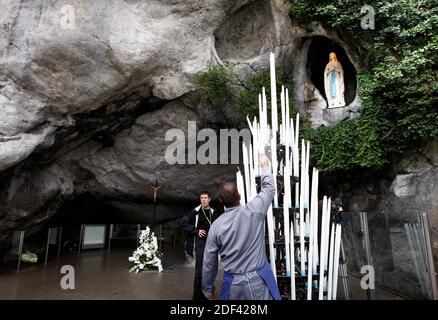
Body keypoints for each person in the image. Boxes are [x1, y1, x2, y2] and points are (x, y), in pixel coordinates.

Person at [202, 155, 281, 300]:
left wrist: (208, 289)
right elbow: (269, 188)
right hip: (260, 281)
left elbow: (209, 262)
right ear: (239, 196)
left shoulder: (216, 227)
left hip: (234, 287)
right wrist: (265, 166)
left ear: (220, 201)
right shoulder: (255, 210)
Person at [180, 191, 219, 300]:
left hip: (212, 244)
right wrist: (196, 230)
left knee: (212, 268)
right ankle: (198, 296)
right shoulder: (195, 212)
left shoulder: (214, 212)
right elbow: (183, 222)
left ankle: (209, 291)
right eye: (201, 198)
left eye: (205, 198)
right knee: (200, 270)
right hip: (200, 244)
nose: (203, 200)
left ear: (209, 199)